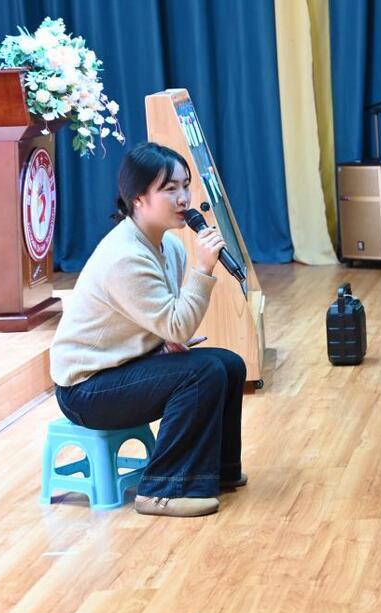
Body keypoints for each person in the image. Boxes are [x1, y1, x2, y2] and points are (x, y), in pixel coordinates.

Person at [50, 143, 247, 518]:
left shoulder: (169, 247)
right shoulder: (125, 257)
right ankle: (162, 490)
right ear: (138, 198)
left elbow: (164, 323)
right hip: (85, 389)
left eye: (185, 185)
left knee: (229, 364)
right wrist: (203, 270)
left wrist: (163, 344)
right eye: (170, 189)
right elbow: (177, 323)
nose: (184, 198)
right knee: (201, 372)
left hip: (121, 366)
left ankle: (214, 472)